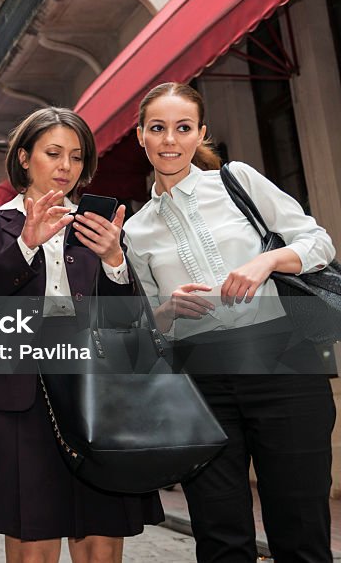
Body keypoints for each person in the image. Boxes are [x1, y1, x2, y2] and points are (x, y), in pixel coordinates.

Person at [123, 82, 336, 562]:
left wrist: (268, 262)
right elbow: (148, 326)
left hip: (284, 366)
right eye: (158, 129)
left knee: (301, 530)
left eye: (182, 128)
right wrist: (168, 309)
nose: (170, 140)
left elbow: (319, 243)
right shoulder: (135, 230)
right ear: (141, 136)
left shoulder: (237, 181)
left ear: (200, 133)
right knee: (220, 539)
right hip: (201, 383)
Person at [0, 107, 163, 563]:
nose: (66, 167)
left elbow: (129, 320)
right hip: (22, 402)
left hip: (99, 398)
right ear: (26, 158)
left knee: (100, 548)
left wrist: (114, 260)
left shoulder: (101, 226)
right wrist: (25, 245)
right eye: (53, 153)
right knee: (33, 548)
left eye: (75, 156)